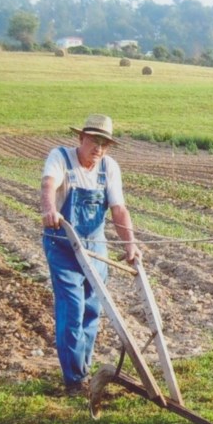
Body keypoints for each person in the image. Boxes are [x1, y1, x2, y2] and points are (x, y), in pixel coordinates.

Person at [41, 114, 141, 396]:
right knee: (72, 308)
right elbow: (48, 185)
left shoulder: (108, 167)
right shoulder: (60, 157)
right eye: (94, 141)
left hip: (95, 248)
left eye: (104, 144)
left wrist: (129, 244)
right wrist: (50, 210)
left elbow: (118, 209)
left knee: (92, 310)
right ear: (80, 138)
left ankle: (82, 372)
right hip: (62, 245)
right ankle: (74, 380)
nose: (98, 149)